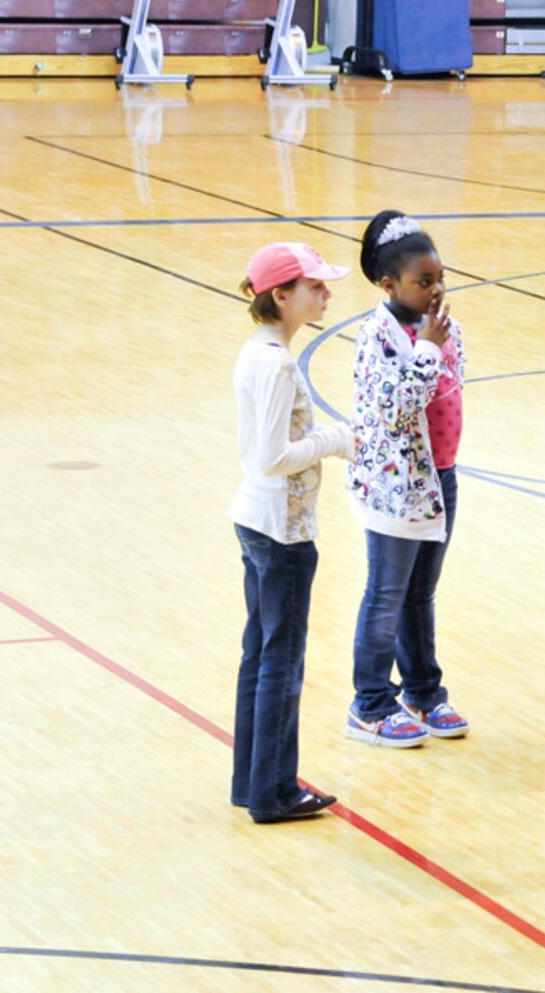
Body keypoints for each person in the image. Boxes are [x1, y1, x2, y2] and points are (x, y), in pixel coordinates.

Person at [226, 242, 353, 823]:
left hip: (256, 521)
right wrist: (338, 439)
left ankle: (252, 782)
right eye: (316, 287)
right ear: (281, 295)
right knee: (281, 660)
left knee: (260, 654)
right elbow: (274, 456)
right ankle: (276, 791)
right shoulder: (277, 364)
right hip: (282, 530)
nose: (326, 294)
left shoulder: (257, 353)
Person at [344, 210, 469, 748]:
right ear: (388, 283)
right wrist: (426, 350)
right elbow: (393, 410)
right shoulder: (378, 337)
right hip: (396, 484)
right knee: (387, 593)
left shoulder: (445, 326)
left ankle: (423, 691)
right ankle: (370, 703)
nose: (436, 289)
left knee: (422, 594)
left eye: (440, 278)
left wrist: (436, 343)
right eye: (424, 281)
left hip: (440, 476)